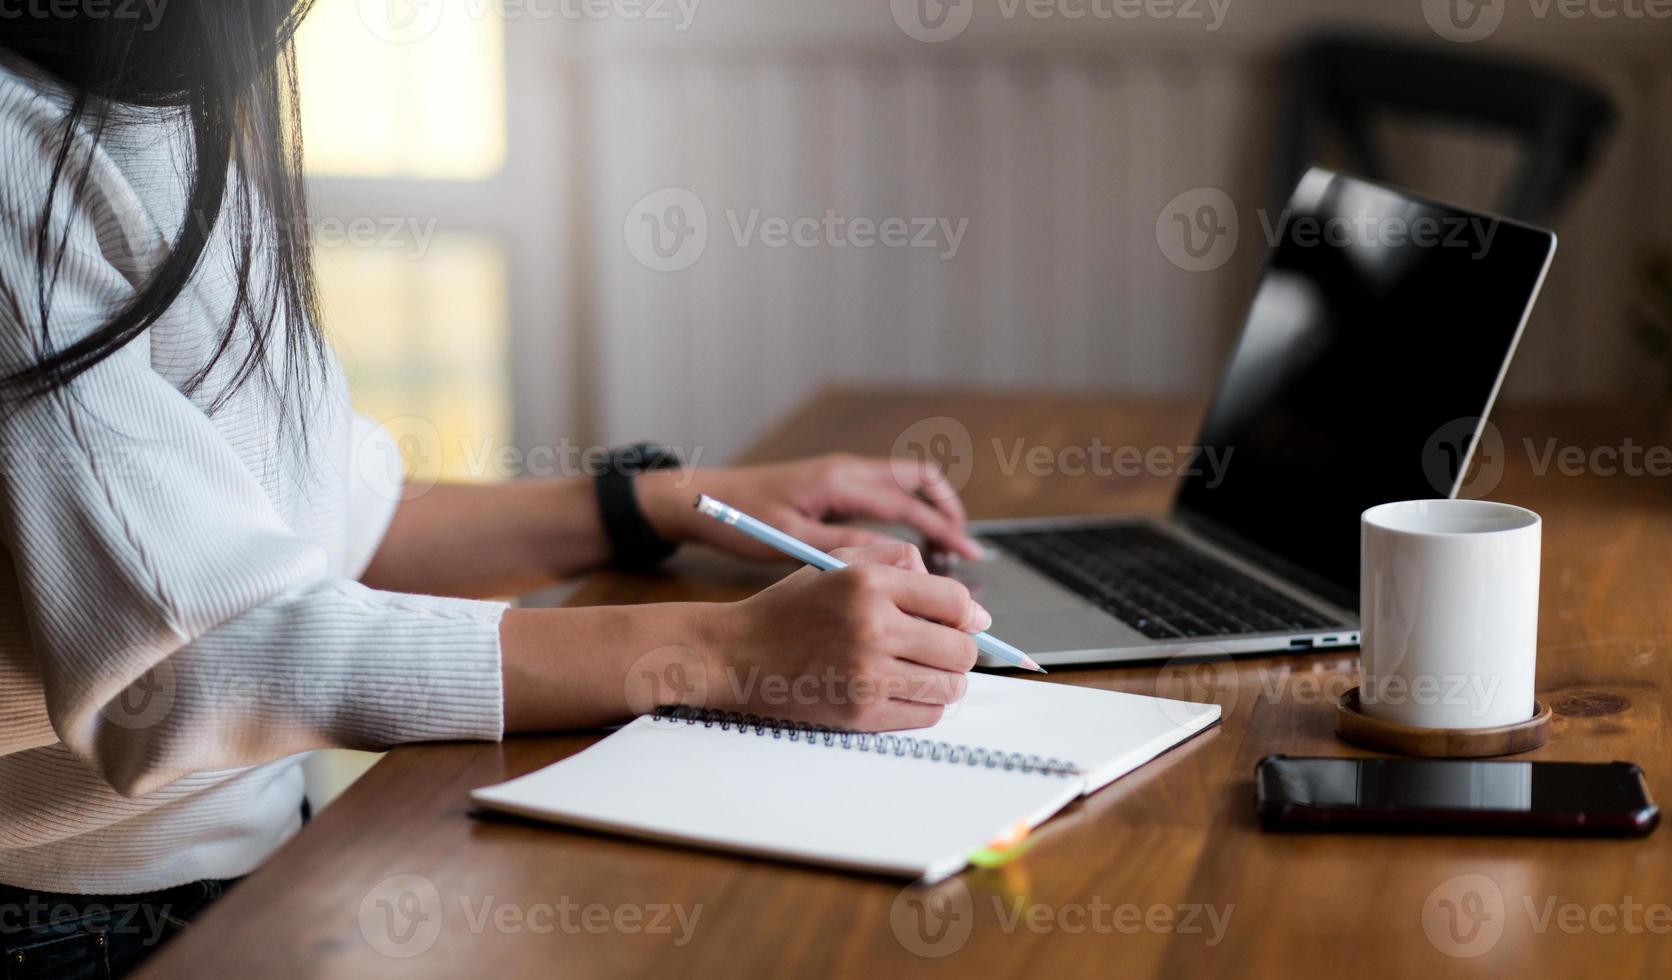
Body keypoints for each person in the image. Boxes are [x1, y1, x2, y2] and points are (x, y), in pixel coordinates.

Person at [0, 3, 986, 974]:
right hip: (73, 930)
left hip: (234, 867)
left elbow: (333, 516)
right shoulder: (15, 154)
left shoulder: (154, 96)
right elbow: (193, 660)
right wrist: (733, 649)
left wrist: (660, 505)